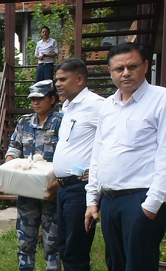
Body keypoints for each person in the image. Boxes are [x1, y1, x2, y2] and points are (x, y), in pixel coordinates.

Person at [85, 42, 166, 271]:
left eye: (132, 66)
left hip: (141, 199)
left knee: (139, 266)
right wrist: (92, 200)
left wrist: (152, 204)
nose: (126, 73)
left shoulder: (161, 100)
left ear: (146, 66)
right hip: (110, 201)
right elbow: (98, 153)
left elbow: (165, 155)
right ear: (111, 72)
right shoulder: (108, 106)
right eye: (119, 69)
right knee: (115, 264)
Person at [3, 80, 61, 271]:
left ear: (52, 99)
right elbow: (13, 150)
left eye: (40, 98)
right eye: (33, 99)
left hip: (51, 191)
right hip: (27, 191)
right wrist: (8, 171)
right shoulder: (24, 122)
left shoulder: (63, 121)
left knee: (52, 241)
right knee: (25, 240)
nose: (35, 103)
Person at [52, 58, 104, 271]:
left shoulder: (96, 105)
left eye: (63, 79)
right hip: (64, 188)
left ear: (80, 79)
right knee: (64, 246)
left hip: (80, 188)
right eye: (56, 79)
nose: (57, 83)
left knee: (76, 251)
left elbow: (114, 140)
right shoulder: (68, 106)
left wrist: (98, 171)